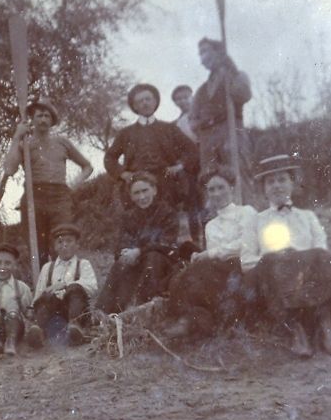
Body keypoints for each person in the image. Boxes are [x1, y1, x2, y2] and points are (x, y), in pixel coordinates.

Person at [241, 154, 331, 357]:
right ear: (264, 189)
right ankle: (297, 331)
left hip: (307, 276)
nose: (276, 186)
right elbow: (246, 260)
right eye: (270, 182)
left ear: (292, 183)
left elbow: (321, 253)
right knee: (272, 260)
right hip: (275, 279)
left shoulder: (308, 217)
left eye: (282, 179)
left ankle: (326, 324)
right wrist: (277, 259)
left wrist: (297, 259)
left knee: (324, 258)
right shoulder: (256, 221)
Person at [163, 168, 257, 339]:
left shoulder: (246, 212)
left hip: (243, 268)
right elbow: (214, 257)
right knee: (180, 276)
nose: (216, 193)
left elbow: (246, 245)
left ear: (232, 188)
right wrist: (202, 257)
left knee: (199, 269)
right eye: (211, 190)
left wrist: (209, 254)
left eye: (221, 187)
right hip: (219, 274)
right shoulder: (210, 226)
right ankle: (191, 320)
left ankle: (186, 321)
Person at [104, 83, 200, 242]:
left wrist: (179, 166)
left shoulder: (169, 129)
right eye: (140, 101)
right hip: (137, 184)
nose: (145, 103)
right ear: (134, 106)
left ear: (155, 102)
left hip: (166, 182)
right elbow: (109, 158)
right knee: (139, 225)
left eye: (148, 99)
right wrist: (123, 174)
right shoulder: (126, 133)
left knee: (167, 222)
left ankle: (167, 251)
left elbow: (191, 150)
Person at [4, 96, 93, 265]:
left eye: (47, 116)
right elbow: (9, 169)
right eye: (39, 115)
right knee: (37, 249)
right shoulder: (25, 144)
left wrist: (72, 186)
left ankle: (65, 278)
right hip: (34, 197)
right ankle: (42, 279)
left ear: (52, 121)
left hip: (60, 197)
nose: (43, 120)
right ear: (32, 119)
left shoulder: (62, 143)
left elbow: (87, 167)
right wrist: (17, 136)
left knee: (63, 240)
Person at [95, 172, 178, 314]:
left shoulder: (168, 213)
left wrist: (139, 251)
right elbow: (120, 245)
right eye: (136, 193)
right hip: (137, 261)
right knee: (121, 263)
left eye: (145, 190)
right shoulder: (129, 217)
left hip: (161, 263)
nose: (142, 197)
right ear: (131, 196)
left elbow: (165, 243)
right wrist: (125, 253)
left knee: (153, 257)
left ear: (154, 190)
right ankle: (102, 313)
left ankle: (142, 306)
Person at [189, 38, 254, 205]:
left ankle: (246, 212)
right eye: (200, 53)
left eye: (206, 51)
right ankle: (216, 217)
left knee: (237, 173)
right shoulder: (201, 90)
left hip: (231, 132)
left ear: (219, 52)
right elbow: (192, 121)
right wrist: (205, 123)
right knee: (210, 178)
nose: (203, 57)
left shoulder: (236, 76)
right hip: (208, 140)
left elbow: (243, 94)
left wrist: (231, 70)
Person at [26, 223, 98, 348]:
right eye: (60, 242)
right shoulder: (48, 267)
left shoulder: (83, 264)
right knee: (47, 296)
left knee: (75, 289)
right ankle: (38, 332)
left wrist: (65, 285)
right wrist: (33, 309)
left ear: (77, 245)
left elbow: (92, 287)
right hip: (53, 313)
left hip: (75, 311)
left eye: (69, 241)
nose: (64, 245)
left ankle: (75, 329)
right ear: (55, 247)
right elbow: (39, 293)